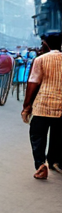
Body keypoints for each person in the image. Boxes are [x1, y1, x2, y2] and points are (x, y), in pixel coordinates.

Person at [21, 32, 62, 180]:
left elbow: (33, 84)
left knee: (37, 136)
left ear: (46, 44)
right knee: (58, 136)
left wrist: (26, 106)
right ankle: (55, 161)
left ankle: (40, 165)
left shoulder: (40, 60)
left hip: (42, 105)